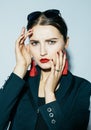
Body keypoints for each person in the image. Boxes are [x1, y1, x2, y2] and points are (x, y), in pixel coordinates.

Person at [0, 9, 91, 130]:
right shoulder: (18, 82)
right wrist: (20, 67)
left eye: (51, 42)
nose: (42, 52)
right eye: (35, 43)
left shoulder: (82, 88)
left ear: (66, 42)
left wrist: (49, 93)